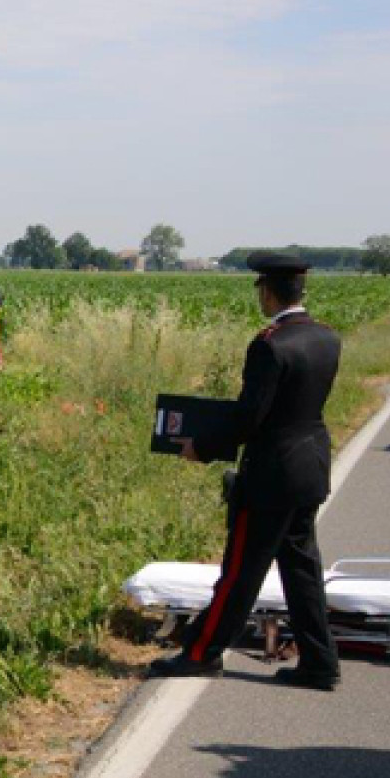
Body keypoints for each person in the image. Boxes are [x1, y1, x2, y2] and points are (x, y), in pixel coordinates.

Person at [150, 251, 341, 690]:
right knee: (301, 569)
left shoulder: (270, 345)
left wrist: (202, 447)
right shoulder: (326, 338)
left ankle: (201, 653)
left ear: (267, 291)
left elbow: (249, 418)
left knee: (240, 571)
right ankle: (320, 662)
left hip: (271, 474)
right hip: (310, 466)